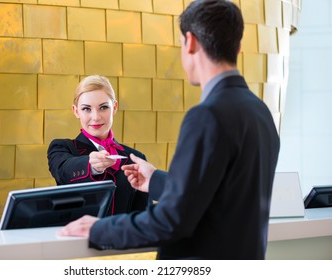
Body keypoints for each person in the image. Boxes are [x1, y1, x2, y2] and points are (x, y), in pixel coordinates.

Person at [57, 0, 280, 260]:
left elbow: (172, 220)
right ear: (238, 47)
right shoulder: (260, 112)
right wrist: (156, 180)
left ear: (191, 42)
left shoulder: (207, 115)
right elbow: (218, 197)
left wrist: (98, 228)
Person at [47, 75, 149, 215]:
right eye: (86, 109)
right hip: (79, 237)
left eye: (103, 107)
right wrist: (91, 165)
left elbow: (143, 215)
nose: (95, 117)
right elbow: (64, 170)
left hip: (123, 237)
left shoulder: (136, 158)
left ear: (114, 107)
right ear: (76, 111)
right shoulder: (62, 148)